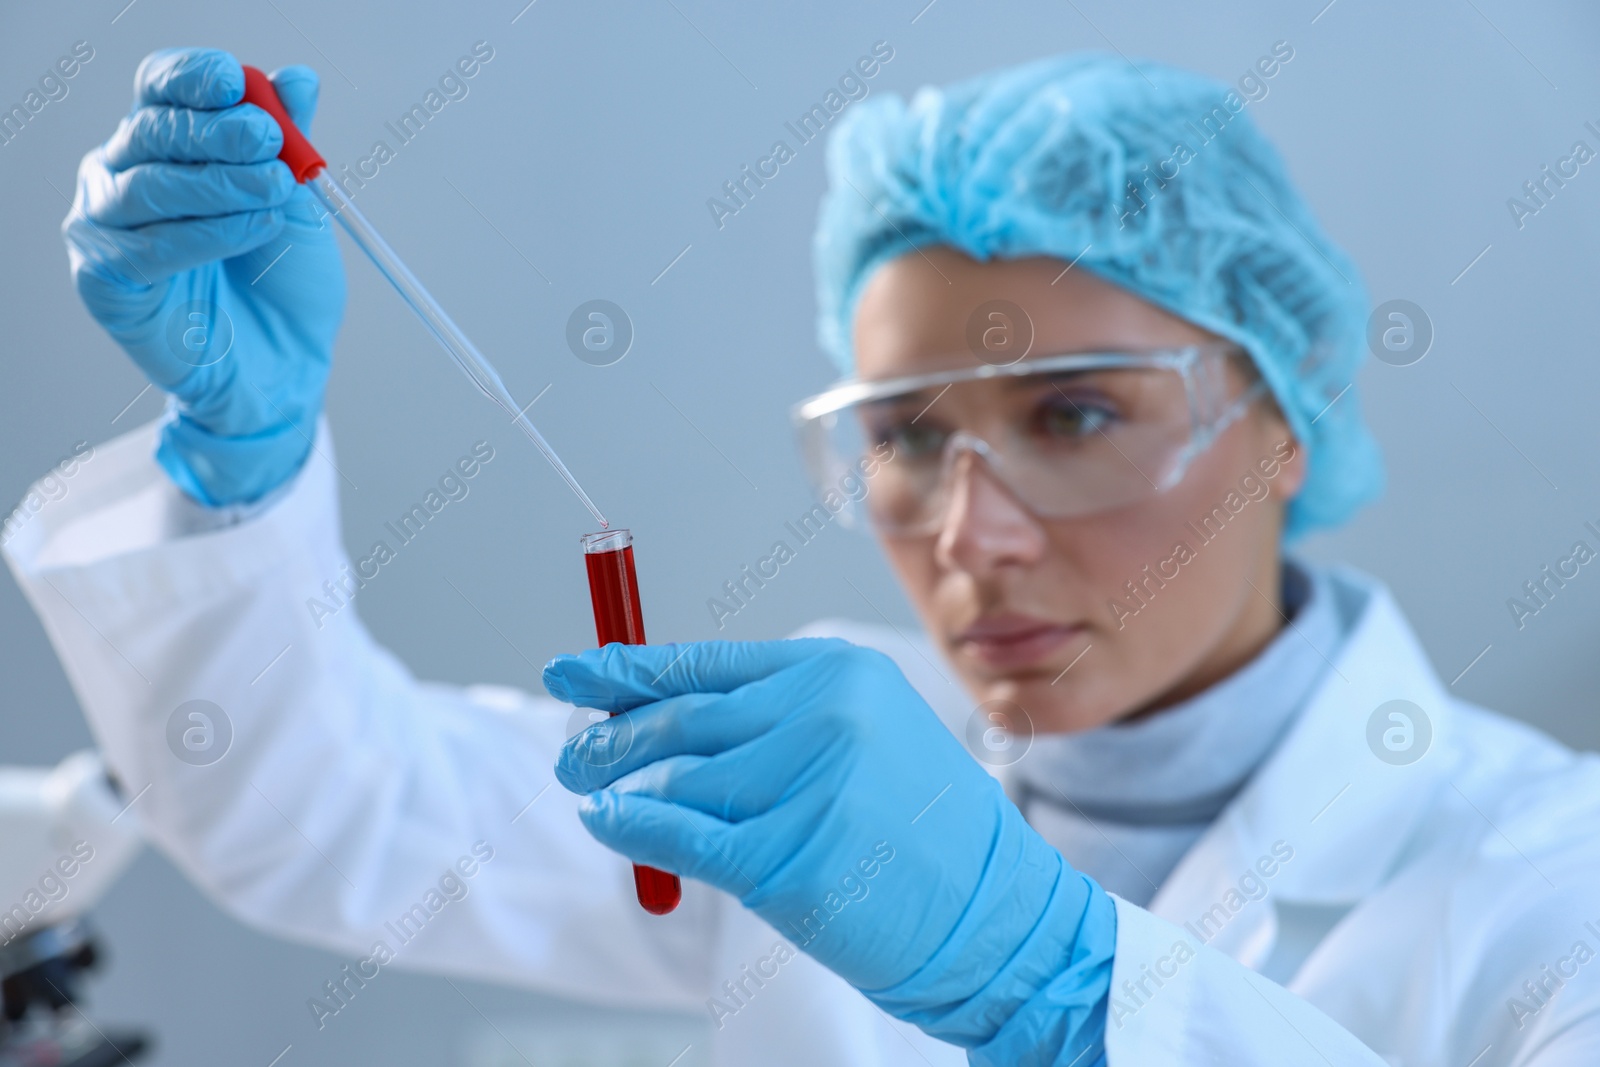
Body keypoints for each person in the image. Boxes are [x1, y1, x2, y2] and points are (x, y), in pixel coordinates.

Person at [9, 44, 1600, 1066]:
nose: (970, 533)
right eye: (906, 438)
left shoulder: (1548, 881)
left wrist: (1060, 993)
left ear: (1280, 425)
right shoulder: (841, 767)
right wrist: (242, 459)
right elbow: (326, 812)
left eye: (1077, 414)